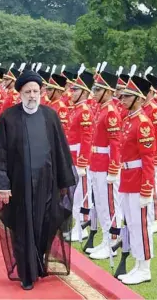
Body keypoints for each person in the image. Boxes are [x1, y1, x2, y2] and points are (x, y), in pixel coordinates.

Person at [0, 70, 76, 290]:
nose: (31, 96)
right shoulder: (9, 118)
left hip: (48, 184)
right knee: (23, 227)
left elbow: (61, 150)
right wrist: (2, 185)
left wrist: (65, 183)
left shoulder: (50, 116)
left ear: (42, 92)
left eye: (36, 91)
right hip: (21, 185)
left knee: (45, 225)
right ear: (19, 93)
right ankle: (26, 273)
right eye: (27, 91)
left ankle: (38, 265)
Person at [116, 75, 156, 285]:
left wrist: (147, 189)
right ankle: (138, 263)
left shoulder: (142, 124)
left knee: (141, 225)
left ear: (139, 99)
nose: (122, 98)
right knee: (132, 223)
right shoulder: (128, 120)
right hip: (127, 177)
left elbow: (148, 159)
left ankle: (145, 267)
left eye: (128, 96)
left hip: (139, 179)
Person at [86, 71, 123, 260]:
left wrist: (114, 168)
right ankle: (105, 240)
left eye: (98, 89)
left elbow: (115, 143)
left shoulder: (111, 112)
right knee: (100, 205)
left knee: (109, 206)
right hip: (96, 162)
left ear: (108, 92)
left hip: (106, 165)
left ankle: (112, 243)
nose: (94, 92)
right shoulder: (102, 109)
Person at [65, 69, 95, 242]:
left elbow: (87, 138)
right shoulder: (76, 109)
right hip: (72, 154)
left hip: (79, 158)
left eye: (76, 90)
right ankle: (76, 226)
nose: (72, 92)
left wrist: (83, 161)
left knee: (80, 194)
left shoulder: (84, 111)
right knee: (73, 194)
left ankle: (81, 227)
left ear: (84, 92)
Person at [143, 73, 157, 233]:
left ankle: (154, 220)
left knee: (152, 188)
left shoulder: (155, 110)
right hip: (142, 155)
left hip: (153, 156)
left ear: (151, 92)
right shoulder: (142, 107)